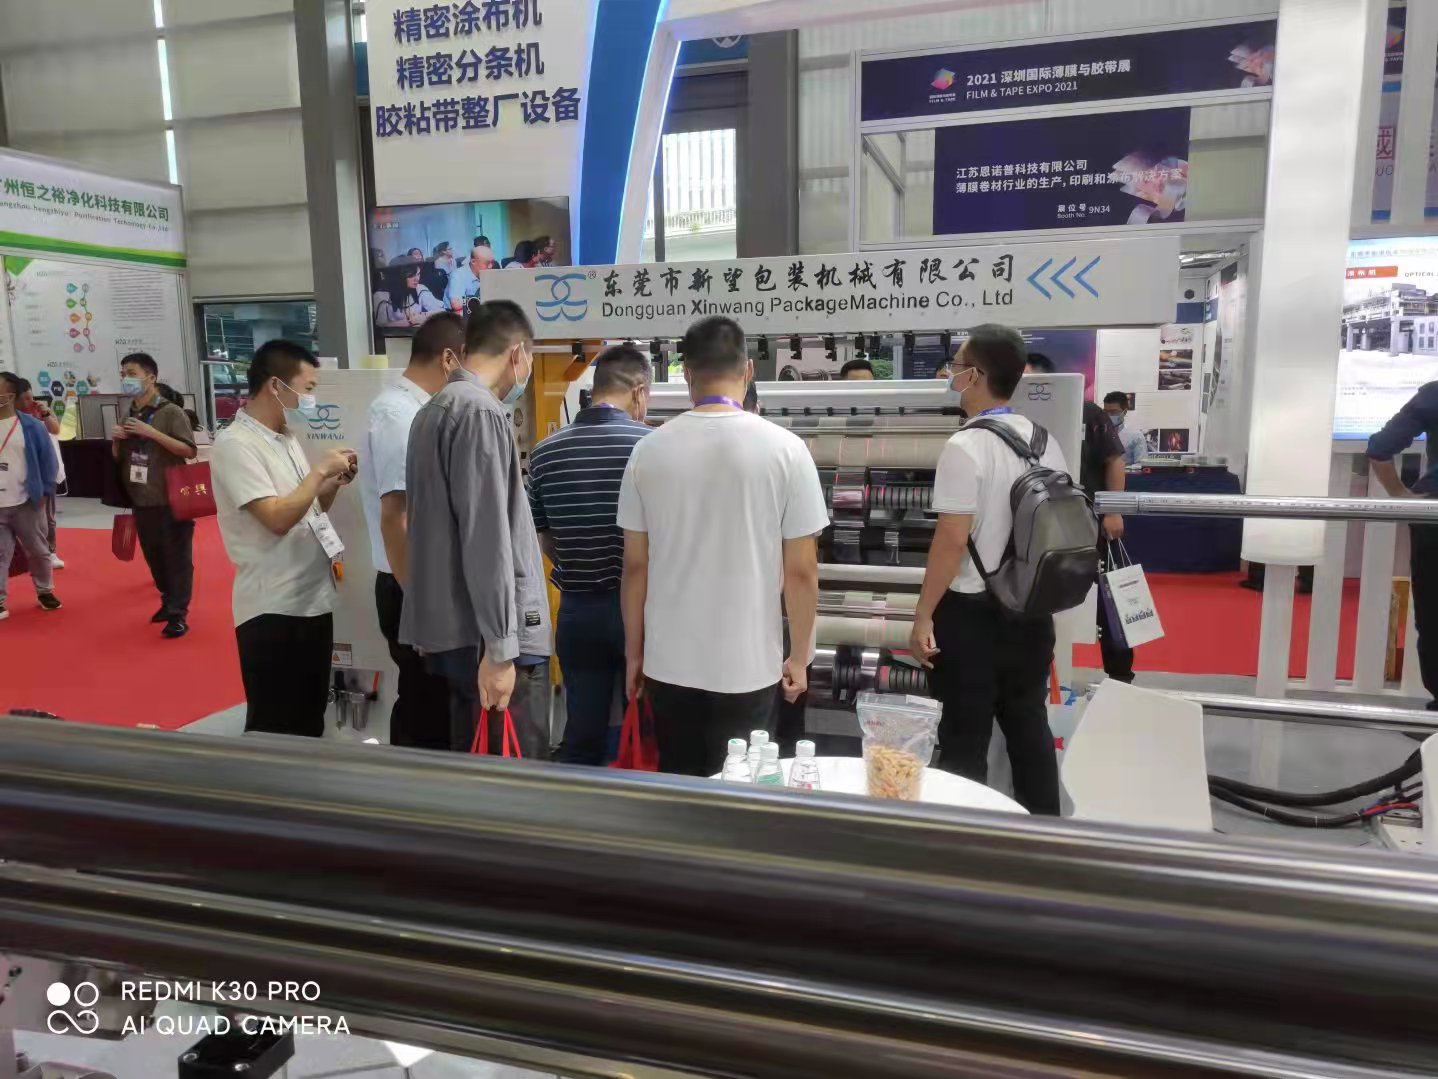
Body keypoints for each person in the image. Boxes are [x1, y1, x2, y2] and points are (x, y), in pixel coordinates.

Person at [618, 316, 829, 776]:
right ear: (748, 370)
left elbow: (635, 568)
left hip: (668, 663)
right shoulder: (787, 450)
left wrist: (634, 654)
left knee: (679, 784)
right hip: (749, 665)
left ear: (687, 373)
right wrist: (800, 656)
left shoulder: (647, 452)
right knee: (743, 786)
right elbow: (801, 572)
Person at [910, 326, 1073, 815]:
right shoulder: (1045, 441)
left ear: (975, 375)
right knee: (1029, 728)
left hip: (972, 616)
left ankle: (964, 843)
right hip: (1031, 611)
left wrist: (923, 616)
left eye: (956, 365)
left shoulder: (966, 447)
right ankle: (1044, 834)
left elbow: (951, 541)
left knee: (964, 739)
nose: (951, 374)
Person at [401, 301, 553, 757]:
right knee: (512, 772)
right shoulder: (480, 412)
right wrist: (501, 649)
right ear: (518, 353)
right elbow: (487, 540)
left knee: (471, 763)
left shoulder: (433, 410)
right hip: (488, 639)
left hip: (457, 633)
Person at [211, 340, 357, 736]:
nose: (311, 399)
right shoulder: (235, 444)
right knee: (274, 724)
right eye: (307, 388)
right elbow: (275, 518)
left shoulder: (286, 437)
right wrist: (318, 472)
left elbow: (305, 510)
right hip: (272, 606)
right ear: (276, 385)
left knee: (309, 717)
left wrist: (331, 483)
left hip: (312, 598)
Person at [528, 343, 651, 764]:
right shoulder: (651, 446)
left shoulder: (545, 453)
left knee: (582, 732)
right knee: (644, 727)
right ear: (639, 392)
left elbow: (545, 540)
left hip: (577, 611)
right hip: (641, 612)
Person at [358, 312, 462, 749]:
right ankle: (411, 785)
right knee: (424, 705)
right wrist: (420, 603)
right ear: (449, 359)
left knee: (435, 701)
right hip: (409, 586)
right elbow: (396, 516)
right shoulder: (399, 415)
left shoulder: (419, 410)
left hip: (419, 583)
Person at [1026, 352, 1132, 683]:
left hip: (1089, 522)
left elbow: (1114, 460)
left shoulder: (1087, 412)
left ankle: (1120, 675)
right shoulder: (1014, 416)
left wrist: (1113, 509)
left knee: (1108, 600)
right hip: (1036, 525)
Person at [111, 353, 198, 638]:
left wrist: (152, 433)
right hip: (141, 497)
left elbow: (189, 450)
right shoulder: (129, 414)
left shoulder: (171, 412)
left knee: (177, 557)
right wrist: (116, 441)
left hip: (172, 496)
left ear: (151, 377)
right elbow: (120, 458)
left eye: (132, 373)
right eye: (123, 373)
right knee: (154, 556)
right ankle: (167, 599)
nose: (126, 379)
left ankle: (178, 613)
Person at [1368, 380, 1438, 709]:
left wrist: (1401, 495)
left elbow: (1380, 447)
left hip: (1434, 516)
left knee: (1433, 616)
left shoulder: (1434, 394)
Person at [0, 371, 62, 620]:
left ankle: (45, 591)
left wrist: (45, 492)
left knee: (38, 550)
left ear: (10, 395)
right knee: (1, 553)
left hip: (26, 501)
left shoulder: (31, 426)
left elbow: (49, 462)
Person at [15, 378, 62, 568]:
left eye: (31, 396)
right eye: (25, 398)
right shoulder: (13, 418)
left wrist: (46, 413)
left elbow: (56, 429)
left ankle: (51, 552)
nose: (30, 401)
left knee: (48, 518)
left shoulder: (41, 412)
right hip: (22, 472)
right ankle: (25, 553)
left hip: (46, 471)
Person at [374, 263, 444, 327]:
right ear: (399, 276)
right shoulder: (381, 295)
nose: (417, 279)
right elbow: (379, 327)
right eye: (411, 276)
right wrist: (410, 322)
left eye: (418, 274)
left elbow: (441, 310)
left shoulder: (420, 288)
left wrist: (424, 316)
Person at [445, 244, 495, 312]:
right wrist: (479, 299)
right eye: (487, 263)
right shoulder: (458, 275)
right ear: (473, 261)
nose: (490, 266)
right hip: (455, 313)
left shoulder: (487, 273)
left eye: (492, 262)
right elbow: (456, 305)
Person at [1102, 391, 1147, 465]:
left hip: (1127, 472)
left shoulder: (1136, 436)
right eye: (1106, 412)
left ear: (1124, 412)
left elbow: (1141, 464)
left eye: (1113, 412)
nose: (1109, 415)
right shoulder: (1098, 433)